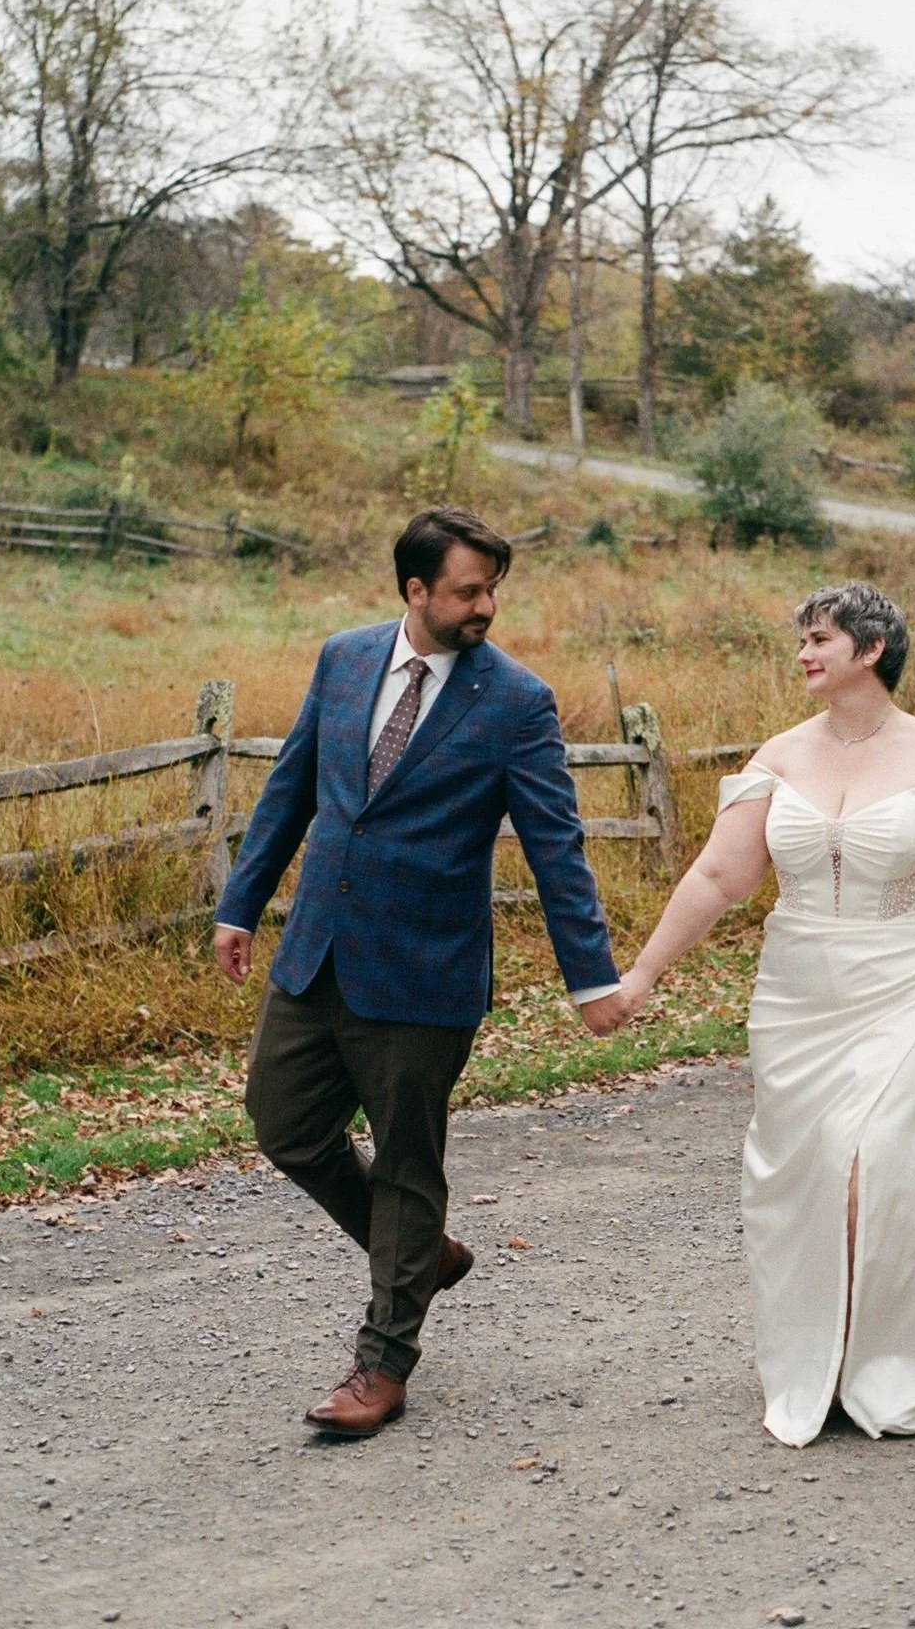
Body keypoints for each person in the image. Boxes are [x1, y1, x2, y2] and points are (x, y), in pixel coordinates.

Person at [213, 505, 627, 1439]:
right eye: (467, 591)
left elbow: (556, 847)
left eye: (492, 590)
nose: (485, 607)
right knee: (283, 1124)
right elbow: (292, 787)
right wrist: (241, 905)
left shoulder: (516, 700)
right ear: (414, 590)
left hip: (425, 970)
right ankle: (418, 1253)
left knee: (407, 1163)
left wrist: (590, 976)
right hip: (316, 948)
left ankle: (382, 1362)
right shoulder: (346, 658)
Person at [618, 580, 915, 1447]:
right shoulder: (779, 756)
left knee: (880, 1159)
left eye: (820, 639)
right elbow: (717, 878)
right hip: (800, 994)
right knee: (807, 1173)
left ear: (871, 649)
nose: (804, 654)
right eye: (803, 640)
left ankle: (903, 1368)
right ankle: (828, 1360)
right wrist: (642, 976)